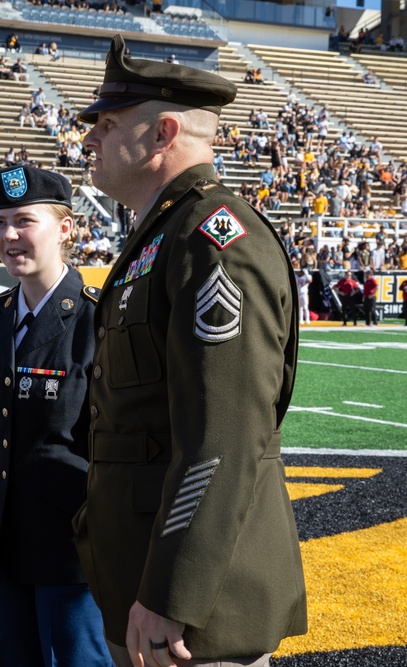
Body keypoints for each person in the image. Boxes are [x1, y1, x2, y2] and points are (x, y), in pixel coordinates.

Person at [76, 35, 306, 667]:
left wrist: (176, 588)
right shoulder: (162, 236)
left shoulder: (211, 239)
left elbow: (223, 434)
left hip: (193, 614)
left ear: (162, 133)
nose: (88, 138)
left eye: (108, 122)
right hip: (143, 580)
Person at [0, 165, 112, 667]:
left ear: (66, 228)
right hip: (1, 544)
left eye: (24, 221)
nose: (8, 235)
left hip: (72, 546)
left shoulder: (103, 317)